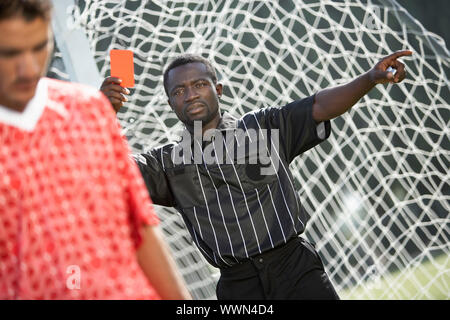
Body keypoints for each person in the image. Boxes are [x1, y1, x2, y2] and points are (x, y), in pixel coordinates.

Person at [100, 50, 412, 299]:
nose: (190, 94)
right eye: (179, 90)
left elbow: (319, 105)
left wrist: (370, 78)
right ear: (170, 103)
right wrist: (103, 113)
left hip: (295, 268)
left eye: (199, 84)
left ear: (218, 89)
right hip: (238, 288)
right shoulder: (166, 164)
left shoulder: (264, 127)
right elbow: (108, 167)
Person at [0, 0, 191, 300]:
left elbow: (139, 225)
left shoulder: (89, 109)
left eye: (39, 47)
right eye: (10, 53)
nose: (28, 68)